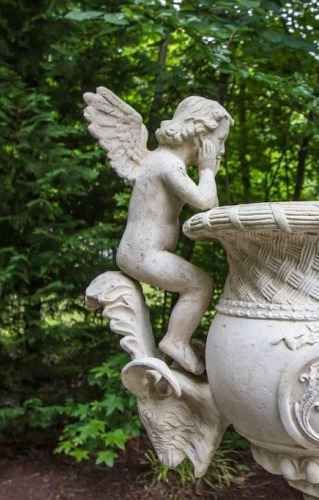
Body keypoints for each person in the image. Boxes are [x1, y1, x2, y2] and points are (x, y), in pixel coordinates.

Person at [111, 96, 233, 375]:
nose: (222, 149)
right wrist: (207, 170)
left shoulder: (161, 161)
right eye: (219, 140)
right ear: (199, 134)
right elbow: (205, 202)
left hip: (142, 252)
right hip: (142, 254)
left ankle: (177, 342)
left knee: (199, 283)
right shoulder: (167, 164)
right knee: (201, 285)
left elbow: (206, 206)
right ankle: (176, 341)